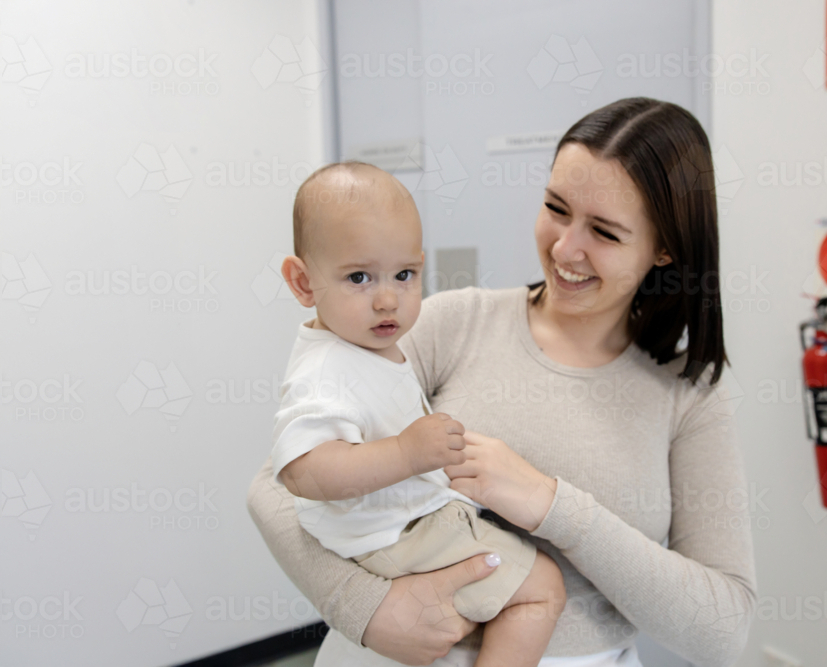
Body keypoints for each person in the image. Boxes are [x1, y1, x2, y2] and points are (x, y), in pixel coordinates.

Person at [248, 97, 757, 667]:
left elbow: (724, 631)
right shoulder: (452, 323)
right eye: (556, 208)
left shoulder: (689, 394)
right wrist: (364, 606)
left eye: (605, 233)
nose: (566, 248)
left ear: (664, 248)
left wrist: (552, 506)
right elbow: (277, 484)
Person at [271, 161, 566, 667]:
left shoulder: (363, 344)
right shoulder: (325, 369)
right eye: (359, 277)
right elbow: (303, 471)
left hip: (396, 525)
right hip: (391, 536)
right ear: (302, 282)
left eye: (404, 275)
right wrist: (407, 453)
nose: (388, 299)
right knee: (542, 589)